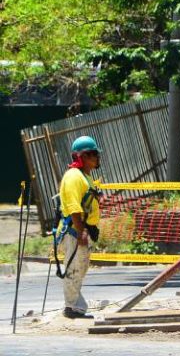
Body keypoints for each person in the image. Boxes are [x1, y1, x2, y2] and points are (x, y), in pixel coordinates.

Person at [55, 135, 102, 319]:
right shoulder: (74, 176)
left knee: (80, 269)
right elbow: (74, 208)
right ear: (82, 156)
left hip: (83, 230)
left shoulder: (85, 177)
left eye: (97, 155)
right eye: (93, 155)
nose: (97, 158)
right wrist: (81, 231)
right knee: (74, 269)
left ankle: (75, 305)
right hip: (74, 231)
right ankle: (72, 307)